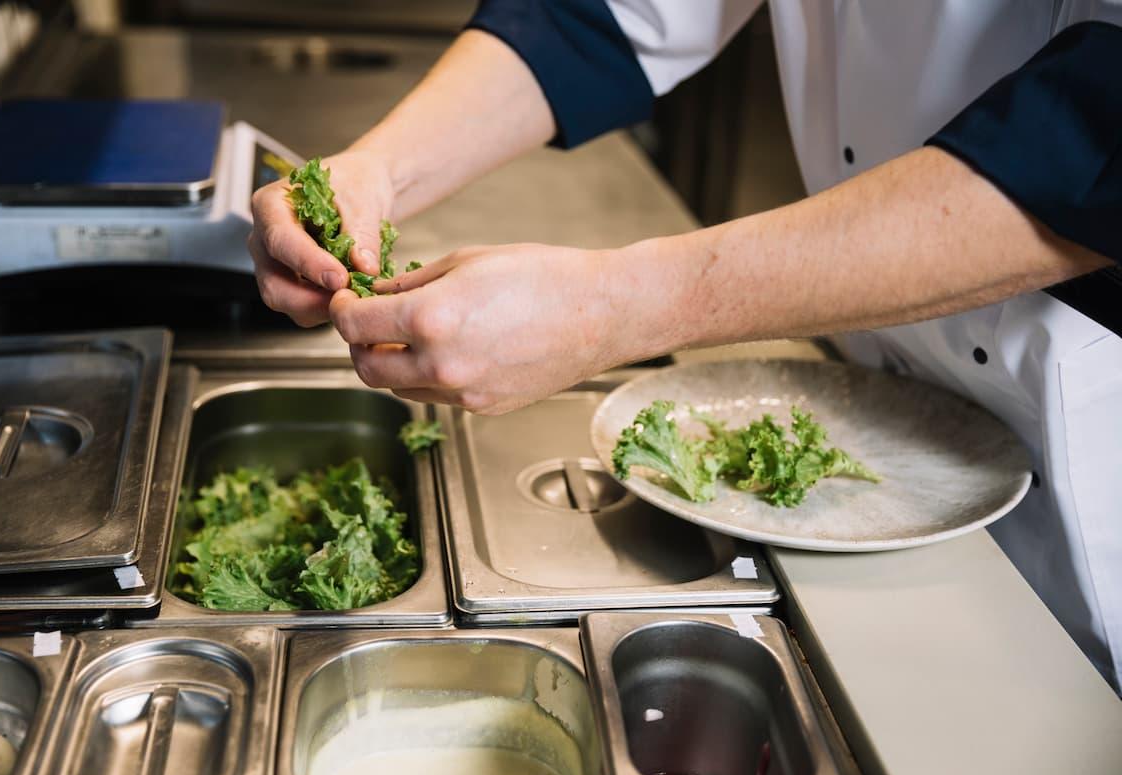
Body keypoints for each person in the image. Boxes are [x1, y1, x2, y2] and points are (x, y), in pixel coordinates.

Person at [249, 2, 1122, 689]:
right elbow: (605, 14)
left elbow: (1093, 143)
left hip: (1087, 462)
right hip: (876, 422)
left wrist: (612, 309)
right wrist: (375, 171)